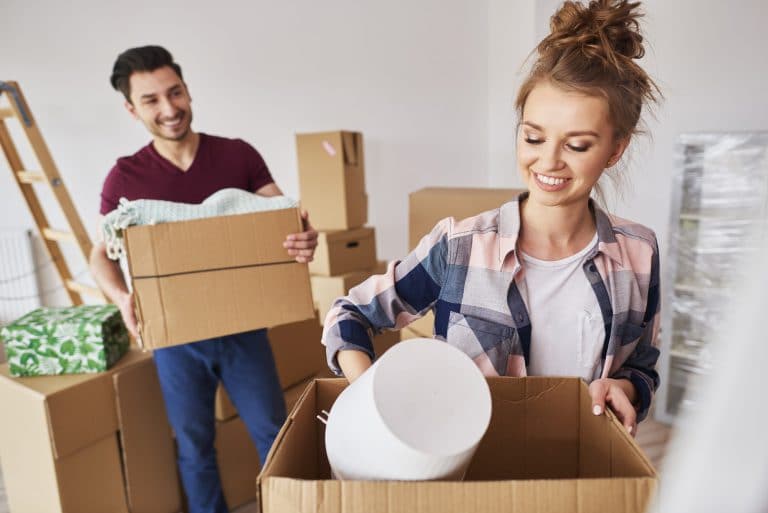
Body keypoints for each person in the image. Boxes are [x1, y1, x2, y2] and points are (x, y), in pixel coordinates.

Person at [322, 0, 661, 436]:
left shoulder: (639, 253)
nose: (549, 161)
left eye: (577, 146)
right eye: (533, 137)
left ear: (616, 149)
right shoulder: (461, 247)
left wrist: (625, 389)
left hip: (583, 472)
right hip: (475, 475)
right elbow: (349, 314)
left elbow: (643, 368)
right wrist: (373, 396)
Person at [89, 45, 318, 513]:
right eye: (151, 100)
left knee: (275, 435)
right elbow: (100, 254)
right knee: (194, 448)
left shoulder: (237, 156)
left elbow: (281, 219)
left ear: (188, 90)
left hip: (243, 332)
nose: (169, 109)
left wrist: (303, 236)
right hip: (177, 340)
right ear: (132, 109)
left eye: (175, 93)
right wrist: (120, 296)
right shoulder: (125, 177)